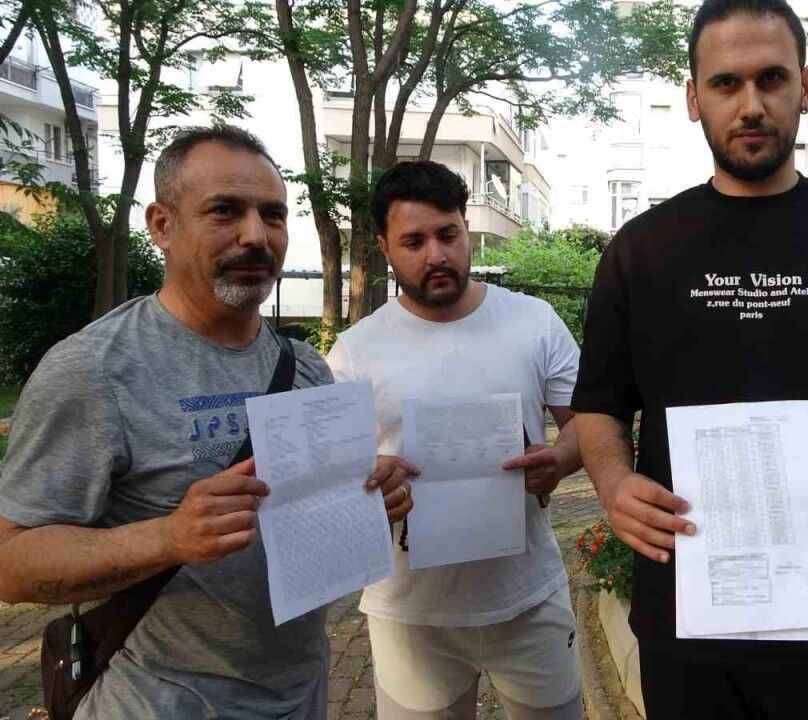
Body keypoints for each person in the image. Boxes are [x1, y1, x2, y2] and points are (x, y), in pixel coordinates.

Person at [571, 0, 808, 716]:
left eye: (771, 78)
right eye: (725, 83)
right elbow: (600, 404)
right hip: (687, 615)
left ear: (806, 86)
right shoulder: (642, 249)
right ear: (693, 98)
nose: (750, 105)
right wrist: (614, 485)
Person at [0, 126, 414, 719]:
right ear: (162, 225)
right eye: (225, 210)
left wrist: (366, 495)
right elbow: (11, 564)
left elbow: (308, 526)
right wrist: (168, 537)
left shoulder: (304, 367)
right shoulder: (94, 369)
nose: (256, 235)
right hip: (157, 701)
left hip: (301, 694)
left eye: (273, 215)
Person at [325, 161, 585, 720]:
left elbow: (587, 422)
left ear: (467, 229)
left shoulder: (534, 322)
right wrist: (369, 489)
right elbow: (332, 485)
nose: (436, 255)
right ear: (385, 248)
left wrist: (561, 458)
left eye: (448, 234)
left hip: (527, 597)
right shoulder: (354, 352)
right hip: (411, 617)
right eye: (413, 241)